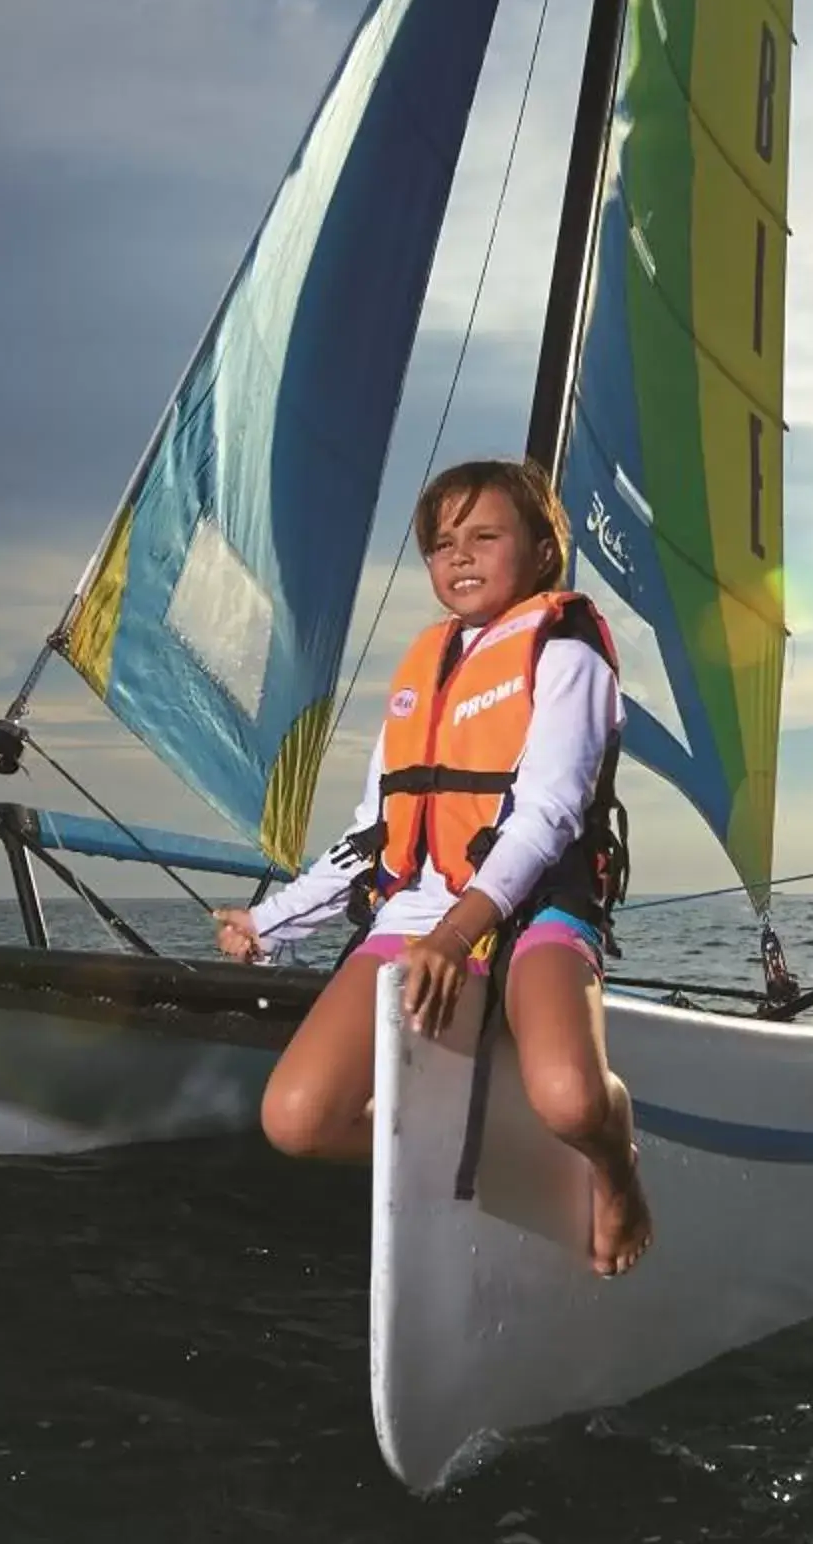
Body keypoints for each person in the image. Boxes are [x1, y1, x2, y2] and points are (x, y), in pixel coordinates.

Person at [213, 457, 653, 1277]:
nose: (459, 556)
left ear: (542, 550)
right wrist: (269, 921)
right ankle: (494, 1151)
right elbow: (373, 832)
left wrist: (459, 935)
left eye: (484, 536)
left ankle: (616, 1167)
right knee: (297, 1120)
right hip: (419, 915)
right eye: (441, 544)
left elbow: (551, 813)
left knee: (572, 1098)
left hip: (534, 905)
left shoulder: (566, 648)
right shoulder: (425, 668)